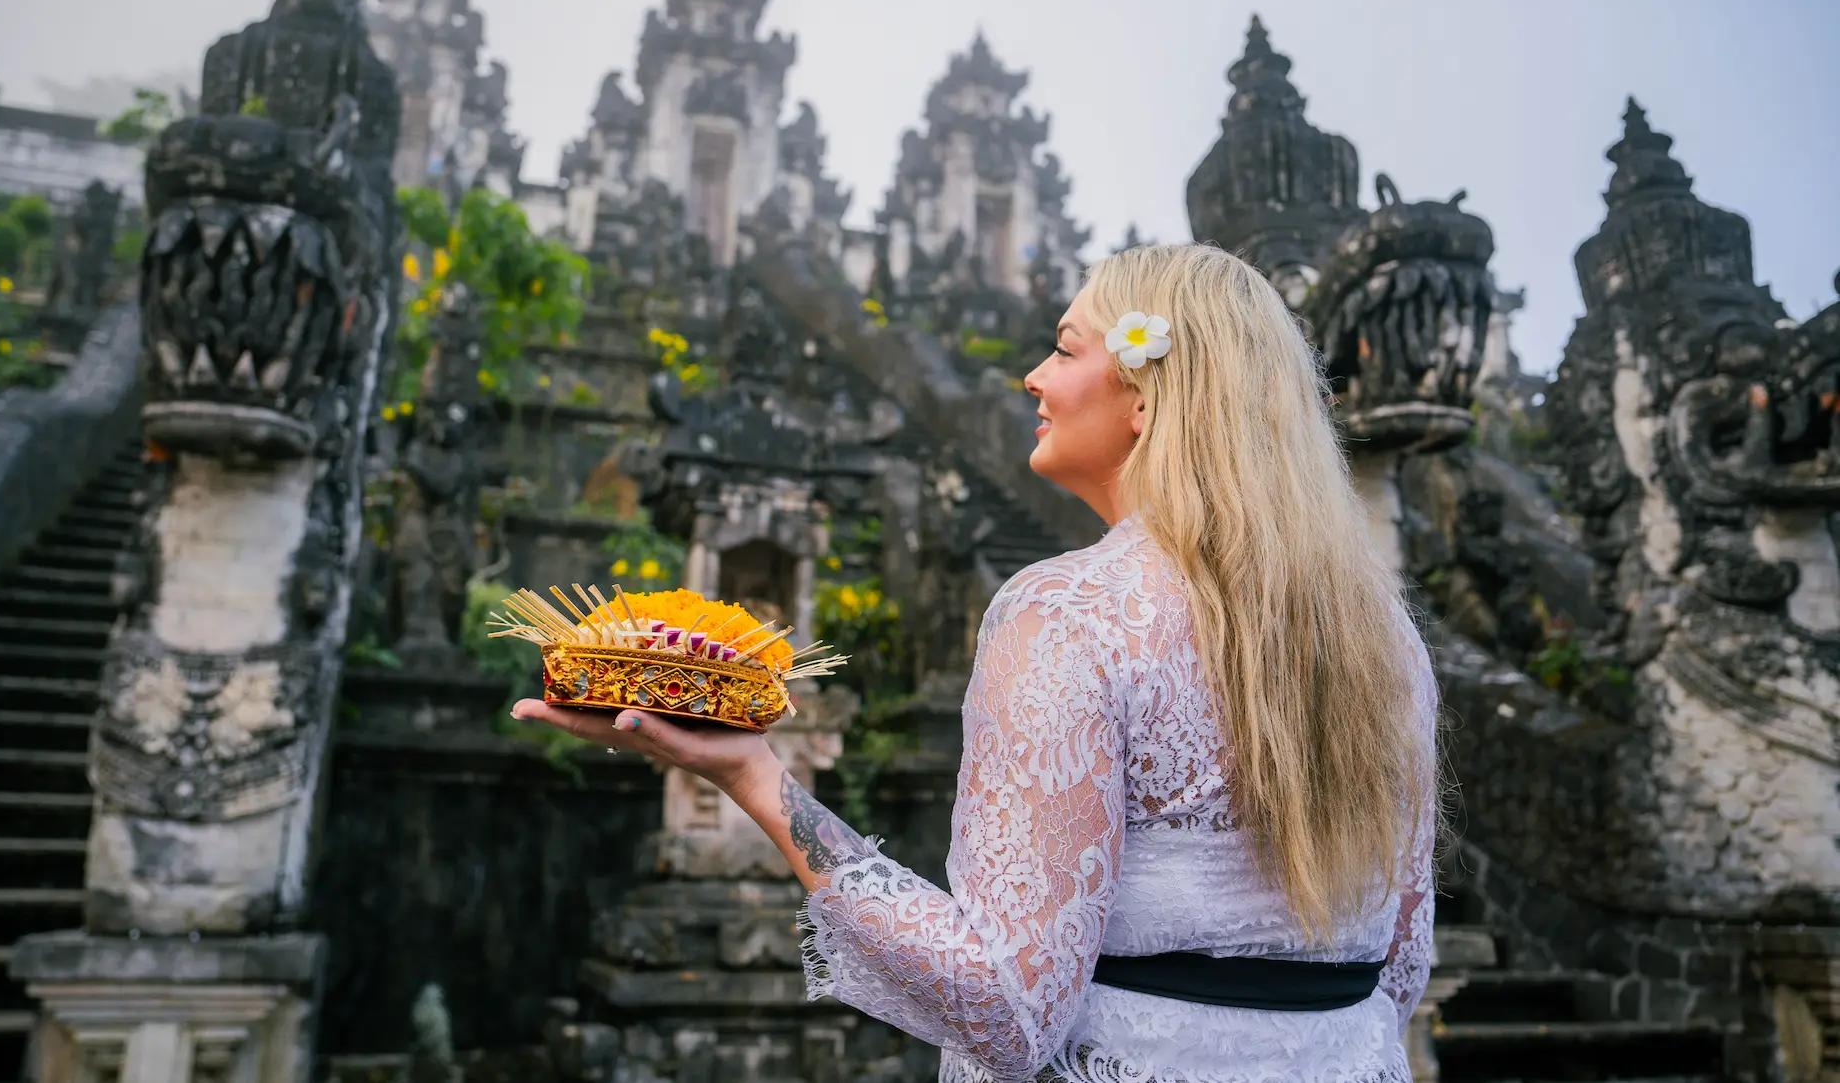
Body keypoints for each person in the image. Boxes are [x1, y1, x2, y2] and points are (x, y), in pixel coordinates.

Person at [513, 242, 1439, 1083]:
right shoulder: (1386, 641)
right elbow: (1397, 971)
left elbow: (1002, 1006)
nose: (1034, 377)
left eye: (1067, 350)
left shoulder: (1068, 615)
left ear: (1150, 395)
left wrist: (758, 778)